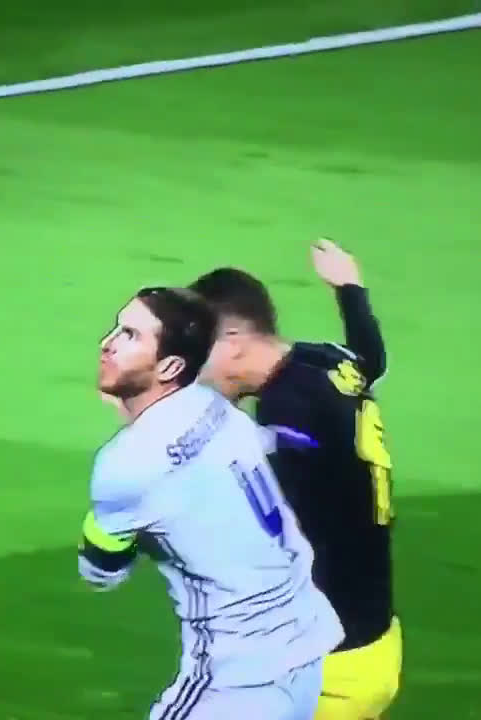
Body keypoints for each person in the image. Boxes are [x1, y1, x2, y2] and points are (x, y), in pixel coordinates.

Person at [79, 286, 344, 720]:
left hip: (236, 683)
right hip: (303, 655)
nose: (107, 343)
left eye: (130, 335)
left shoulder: (126, 465)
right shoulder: (217, 407)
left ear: (170, 366)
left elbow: (101, 573)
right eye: (115, 329)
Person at [189, 239, 400, 720]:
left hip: (329, 670)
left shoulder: (288, 412)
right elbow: (371, 359)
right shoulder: (324, 361)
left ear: (234, 341)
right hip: (376, 643)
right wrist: (349, 288)